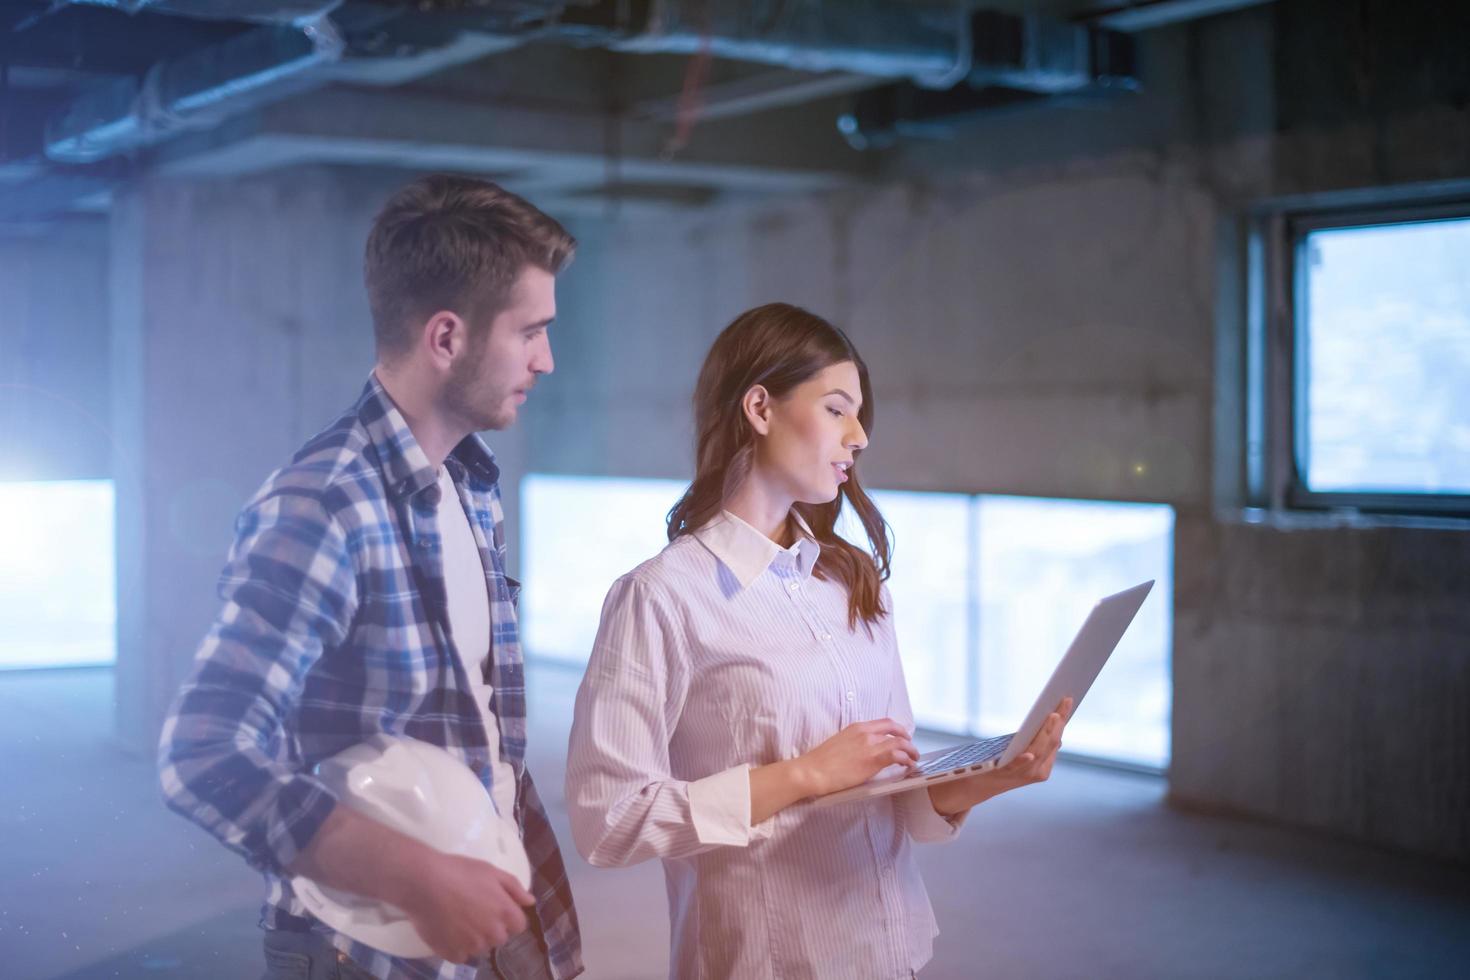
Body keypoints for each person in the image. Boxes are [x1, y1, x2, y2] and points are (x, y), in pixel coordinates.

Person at [565, 302, 1072, 979]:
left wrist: (992, 779)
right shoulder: (661, 596)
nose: (860, 436)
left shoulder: (856, 585)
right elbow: (610, 819)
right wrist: (801, 776)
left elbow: (896, 796)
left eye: (859, 414)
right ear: (760, 408)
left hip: (888, 953)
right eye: (837, 409)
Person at [158, 174, 583, 980]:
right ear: (447, 338)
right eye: (531, 331)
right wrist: (420, 878)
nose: (547, 360)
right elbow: (203, 754)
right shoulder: (324, 506)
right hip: (369, 948)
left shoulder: (469, 485)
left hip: (488, 914)